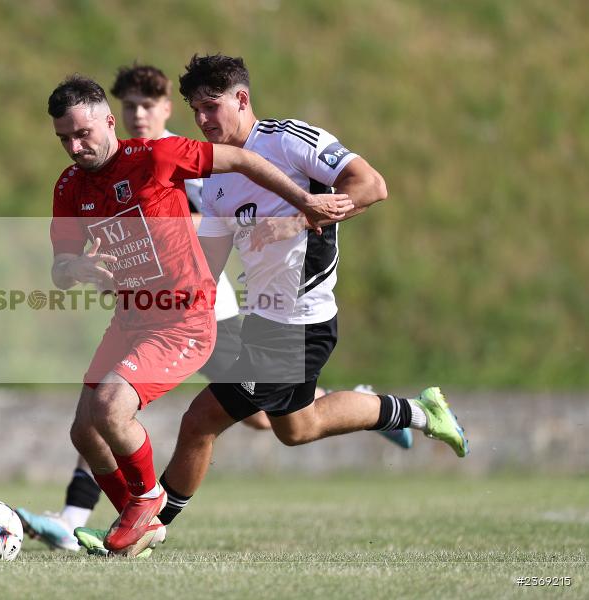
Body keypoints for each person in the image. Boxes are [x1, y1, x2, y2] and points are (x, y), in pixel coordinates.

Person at [76, 54, 469, 548]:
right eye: (194, 110)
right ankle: (418, 412)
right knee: (297, 427)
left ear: (242, 99)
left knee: (199, 422)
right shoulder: (213, 178)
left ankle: (146, 530)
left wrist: (297, 219)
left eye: (210, 106)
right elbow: (208, 262)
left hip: (302, 321)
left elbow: (372, 186)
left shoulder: (289, 140)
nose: (201, 120)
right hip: (265, 319)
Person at [40, 74, 351, 557]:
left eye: (83, 134)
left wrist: (306, 202)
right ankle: (137, 523)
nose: (75, 146)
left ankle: (147, 503)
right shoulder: (69, 187)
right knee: (84, 429)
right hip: (130, 317)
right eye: (65, 138)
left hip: (182, 317)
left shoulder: (154, 158)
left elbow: (244, 159)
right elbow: (60, 268)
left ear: (108, 121)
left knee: (113, 409)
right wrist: (77, 266)